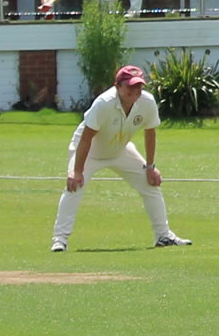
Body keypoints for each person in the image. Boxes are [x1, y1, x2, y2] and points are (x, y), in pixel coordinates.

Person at [51, 65, 194, 252]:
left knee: (150, 183)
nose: (135, 92)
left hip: (120, 150)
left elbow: (150, 133)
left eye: (138, 87)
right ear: (117, 86)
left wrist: (150, 167)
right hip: (89, 153)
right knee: (74, 186)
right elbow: (86, 138)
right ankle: (60, 240)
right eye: (130, 87)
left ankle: (163, 236)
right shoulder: (103, 103)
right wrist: (77, 171)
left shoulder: (147, 102)